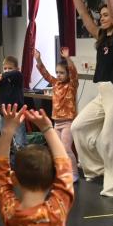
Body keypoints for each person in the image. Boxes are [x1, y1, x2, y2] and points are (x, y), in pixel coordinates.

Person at [64, 0, 113, 196]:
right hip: (103, 93)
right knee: (78, 127)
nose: (102, 18)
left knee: (111, 141)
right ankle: (97, 169)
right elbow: (83, 14)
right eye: (101, 15)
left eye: (106, 15)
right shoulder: (101, 37)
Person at [35, 47, 79, 180]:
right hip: (57, 122)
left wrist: (67, 58)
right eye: (57, 72)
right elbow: (45, 74)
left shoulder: (72, 85)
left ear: (68, 74)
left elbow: (73, 72)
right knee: (57, 149)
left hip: (68, 122)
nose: (58, 75)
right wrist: (38, 59)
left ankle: (74, 173)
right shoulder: (55, 83)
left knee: (66, 148)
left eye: (62, 73)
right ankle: (61, 171)